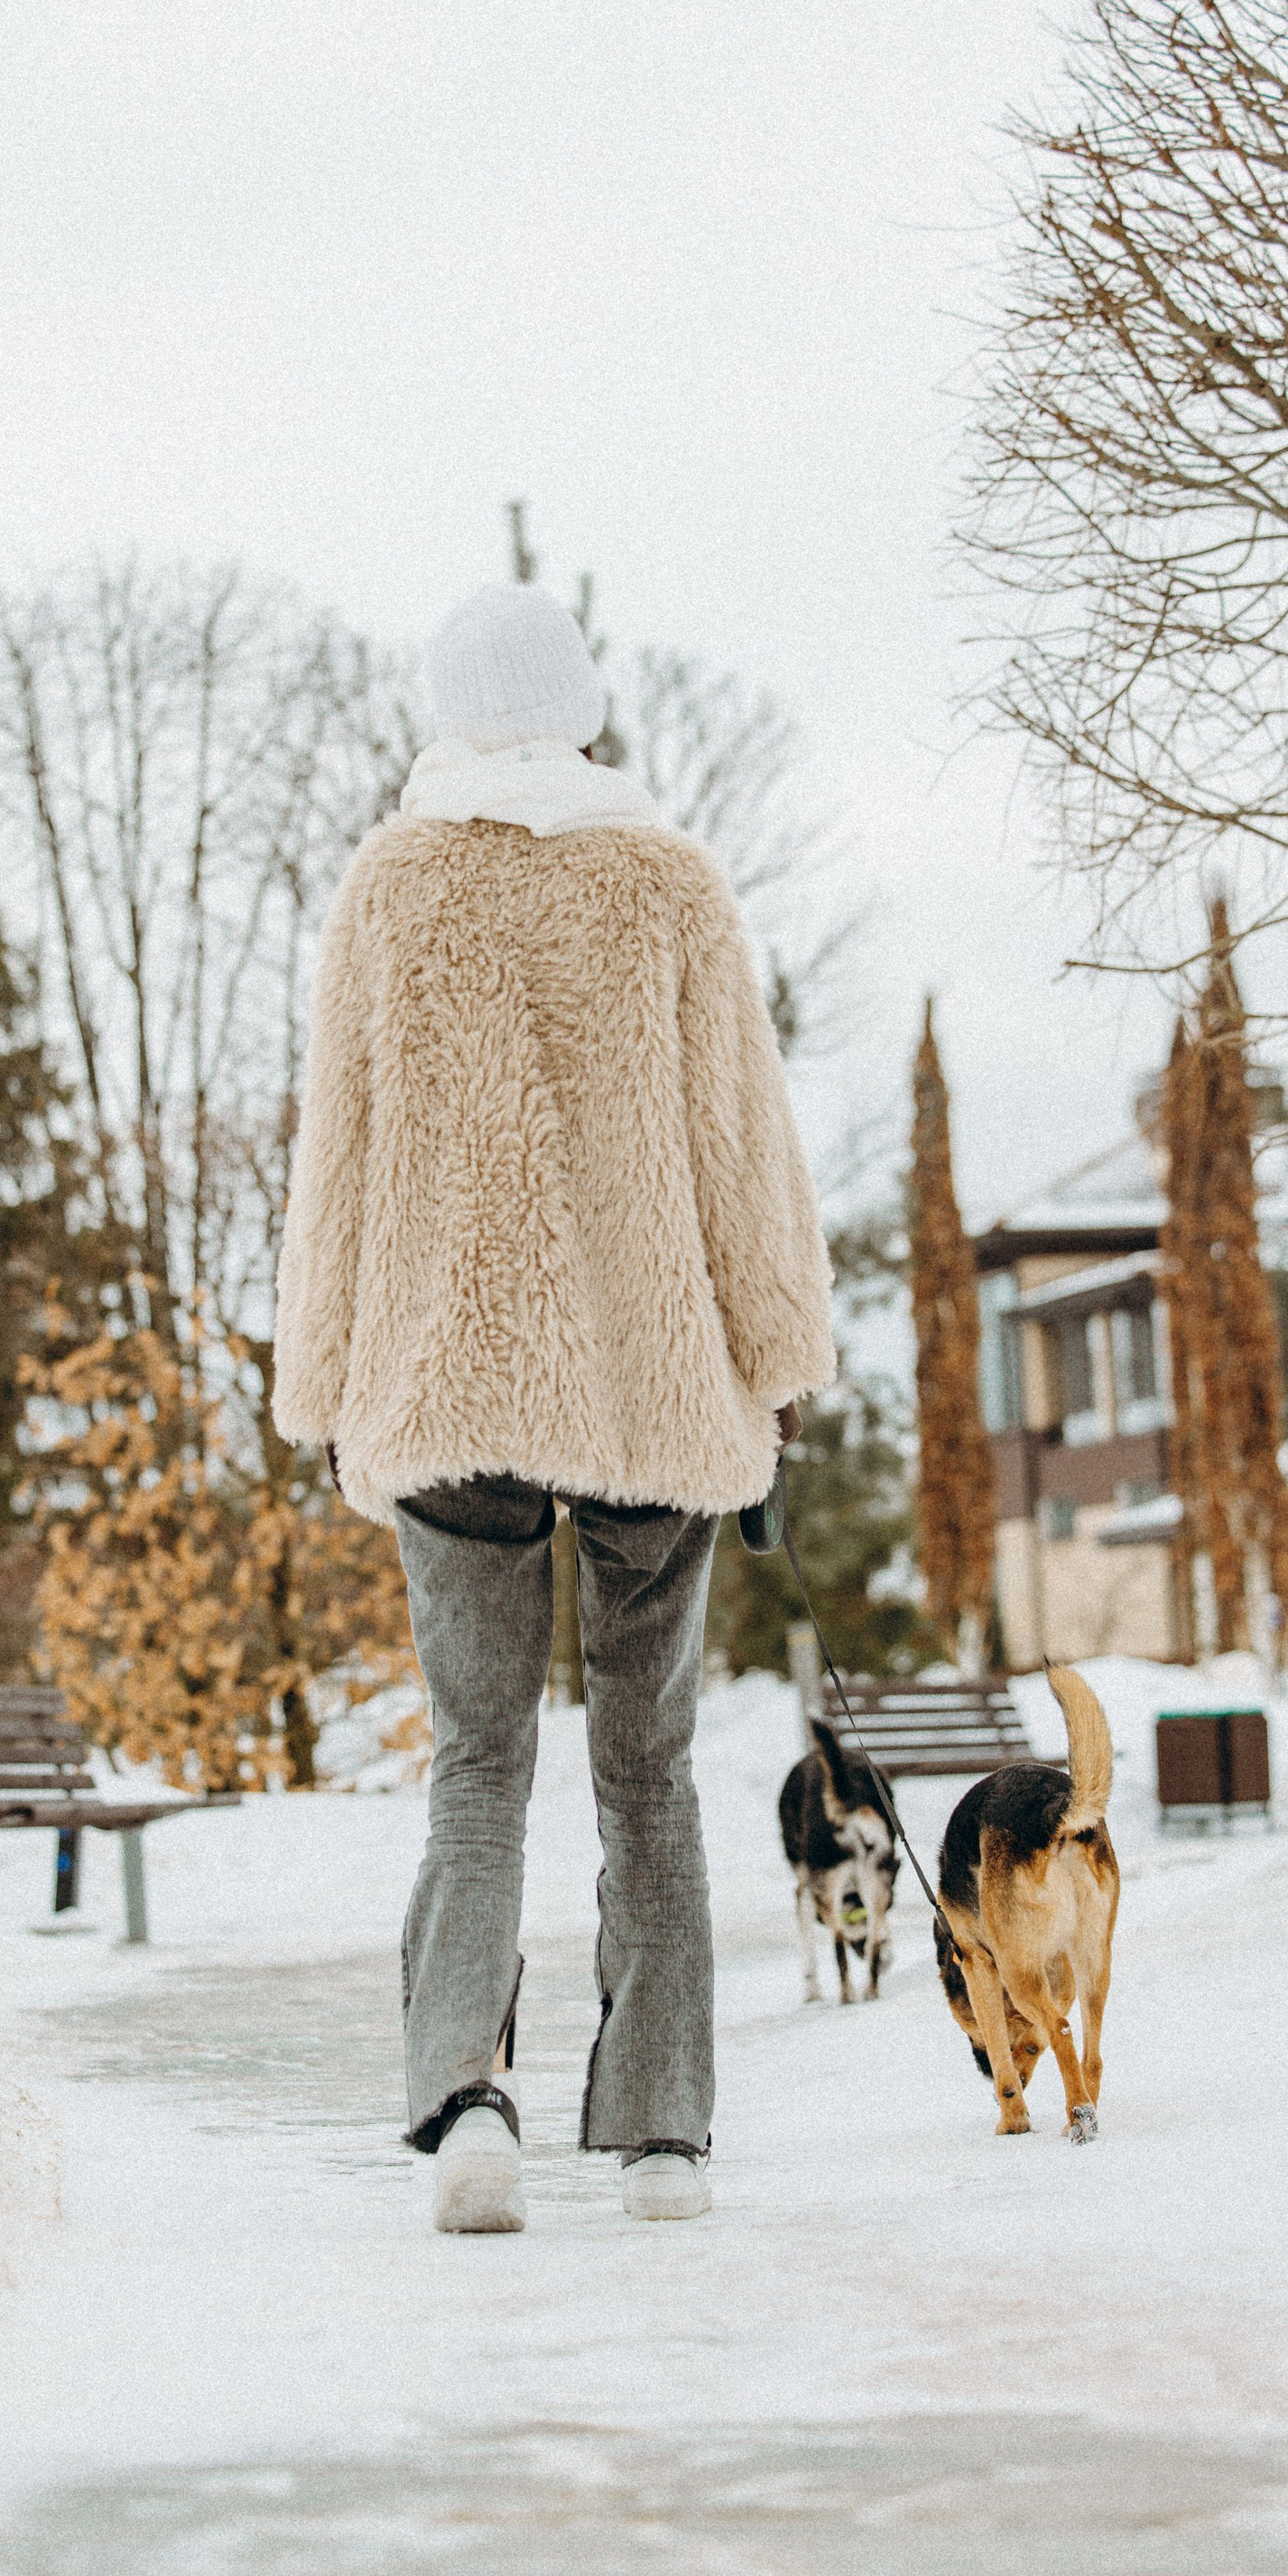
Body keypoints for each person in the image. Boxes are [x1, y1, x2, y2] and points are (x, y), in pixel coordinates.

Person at [272, 584, 836, 2232]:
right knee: (648, 1770)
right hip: (657, 1392)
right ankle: (664, 2133)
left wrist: (321, 1371)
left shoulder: (395, 886)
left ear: (449, 714)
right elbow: (746, 1145)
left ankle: (465, 2107)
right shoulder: (669, 883)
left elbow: (340, 1161)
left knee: (475, 1764)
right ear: (586, 707)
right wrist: (777, 1352)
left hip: (453, 1380)